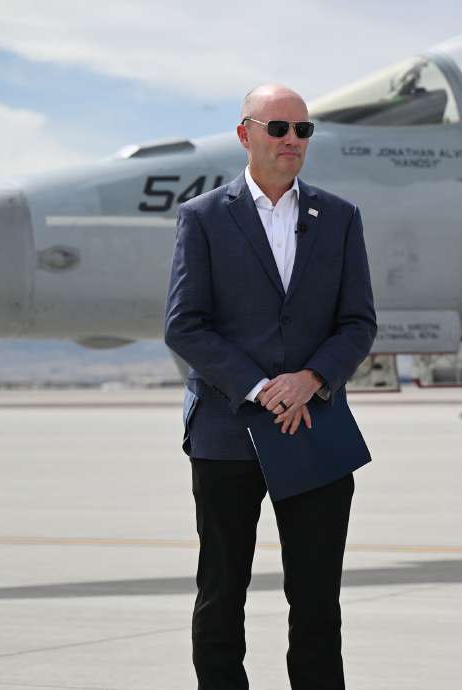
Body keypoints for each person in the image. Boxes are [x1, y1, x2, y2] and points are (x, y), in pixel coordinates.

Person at [164, 84, 376, 689]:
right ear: (245, 134)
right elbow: (184, 324)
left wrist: (310, 379)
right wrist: (261, 387)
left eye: (302, 131)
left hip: (314, 429)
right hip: (227, 433)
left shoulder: (339, 218)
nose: (292, 141)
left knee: (316, 603)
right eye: (279, 128)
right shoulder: (203, 218)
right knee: (221, 594)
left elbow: (357, 322)